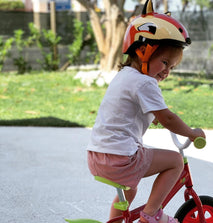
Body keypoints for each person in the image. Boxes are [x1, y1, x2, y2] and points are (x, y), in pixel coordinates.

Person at [87, 0, 206, 222]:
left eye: (172, 67)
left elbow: (123, 110)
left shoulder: (124, 76)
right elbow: (168, 117)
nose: (167, 72)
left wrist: (150, 118)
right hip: (120, 158)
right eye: (164, 62)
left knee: (129, 189)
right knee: (175, 162)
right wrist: (190, 132)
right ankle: (150, 215)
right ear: (143, 51)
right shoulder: (145, 83)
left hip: (97, 156)